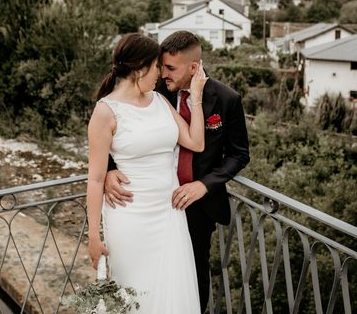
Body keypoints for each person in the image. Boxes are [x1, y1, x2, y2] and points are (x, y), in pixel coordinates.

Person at [105, 30, 250, 313]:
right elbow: (116, 122)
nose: (162, 73)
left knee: (192, 280)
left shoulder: (226, 99)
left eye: (170, 68)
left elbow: (239, 154)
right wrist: (111, 169)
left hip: (197, 206)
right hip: (150, 204)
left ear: (193, 67)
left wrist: (205, 185)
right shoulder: (153, 89)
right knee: (145, 276)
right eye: (160, 66)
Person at [86, 33, 208, 313]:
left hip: (169, 214)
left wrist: (197, 100)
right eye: (157, 67)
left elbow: (195, 142)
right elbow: (94, 178)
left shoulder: (159, 101)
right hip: (130, 217)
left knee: (172, 289)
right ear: (140, 68)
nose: (160, 74)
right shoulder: (105, 112)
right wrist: (94, 236)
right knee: (135, 292)